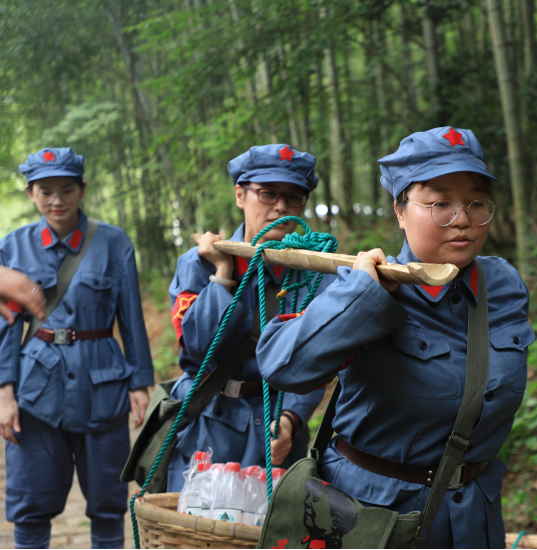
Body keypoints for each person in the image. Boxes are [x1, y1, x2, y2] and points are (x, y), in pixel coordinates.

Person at [257, 127, 536, 548]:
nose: (461, 218)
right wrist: (361, 299)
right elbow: (282, 366)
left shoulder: (503, 285)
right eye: (440, 203)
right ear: (401, 212)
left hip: (472, 520)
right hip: (371, 522)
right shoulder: (367, 283)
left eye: (476, 202)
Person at [0, 147, 154, 549]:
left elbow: (131, 317)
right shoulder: (12, 248)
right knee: (30, 506)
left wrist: (140, 382)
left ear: (82, 190)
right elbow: (4, 326)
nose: (57, 200)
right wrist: (5, 392)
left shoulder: (114, 243)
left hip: (102, 385)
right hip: (35, 389)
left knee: (108, 506)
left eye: (67, 189)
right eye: (45, 191)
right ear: (31, 193)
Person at [165, 144, 327, 492]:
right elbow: (197, 348)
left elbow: (319, 361)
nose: (280, 206)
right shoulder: (199, 263)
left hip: (280, 431)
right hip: (209, 424)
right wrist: (223, 275)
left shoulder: (316, 273)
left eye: (293, 197)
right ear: (240, 194)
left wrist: (291, 419)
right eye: (267, 194)